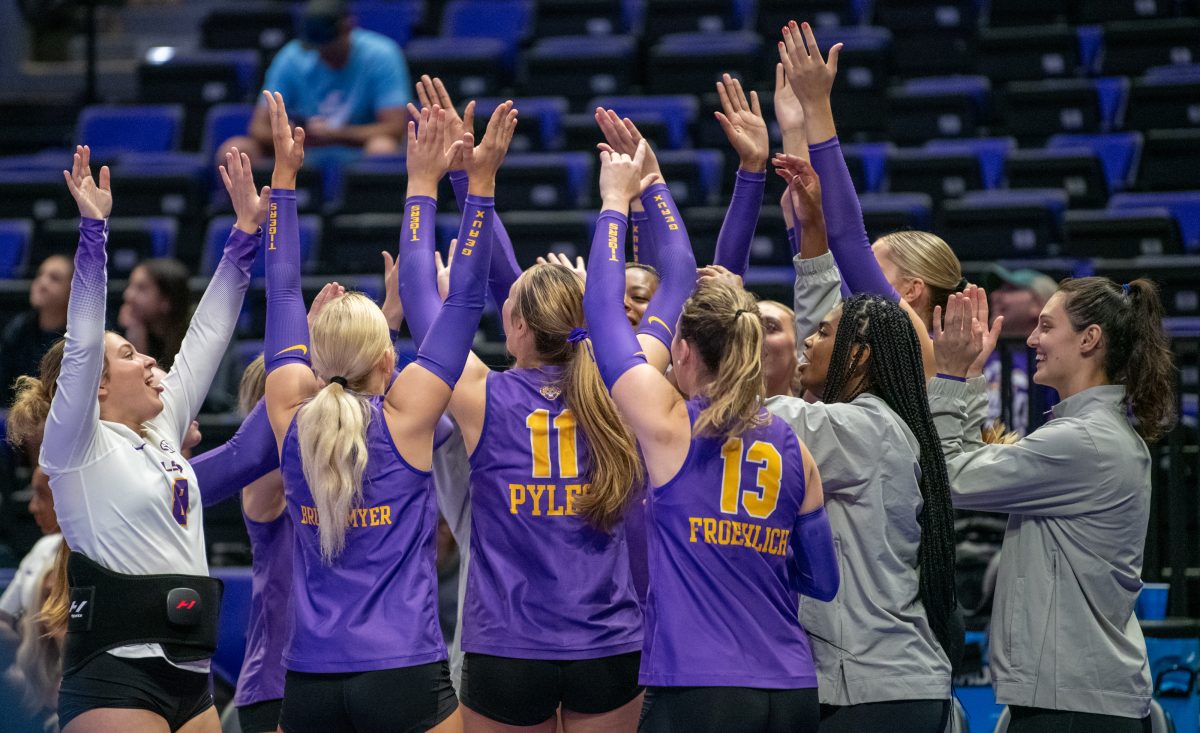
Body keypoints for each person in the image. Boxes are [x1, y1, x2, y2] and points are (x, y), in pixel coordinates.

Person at [401, 101, 677, 733]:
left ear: (516, 325)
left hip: (507, 646)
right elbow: (679, 281)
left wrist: (441, 184)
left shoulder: (479, 394)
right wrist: (642, 192)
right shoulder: (623, 389)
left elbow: (427, 292)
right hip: (608, 643)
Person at [6, 143, 264, 733]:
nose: (150, 359)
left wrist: (245, 234)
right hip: (116, 678)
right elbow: (81, 341)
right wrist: (93, 233)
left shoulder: (162, 431)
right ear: (94, 385)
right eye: (128, 354)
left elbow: (206, 337)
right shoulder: (75, 447)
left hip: (192, 679)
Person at [261, 90, 496, 733]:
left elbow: (280, 285)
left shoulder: (289, 412)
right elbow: (464, 298)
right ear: (388, 361)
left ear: (311, 354)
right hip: (403, 670)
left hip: (308, 676)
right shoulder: (407, 420)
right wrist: (440, 183)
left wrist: (283, 176)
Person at [583, 142, 837, 733]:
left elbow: (600, 311)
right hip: (791, 688)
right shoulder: (792, 443)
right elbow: (822, 580)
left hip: (700, 687)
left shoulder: (670, 425)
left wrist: (619, 200)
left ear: (683, 349)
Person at [929, 279, 1176, 733]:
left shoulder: (1081, 441)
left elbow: (948, 476)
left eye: (1046, 325)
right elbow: (965, 467)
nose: (1031, 339)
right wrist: (968, 380)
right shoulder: (1091, 433)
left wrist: (948, 376)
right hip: (1081, 698)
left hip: (1071, 707)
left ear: (1089, 338)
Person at [766, 155, 958, 731]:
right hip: (888, 683)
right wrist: (812, 238)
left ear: (858, 354)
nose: (806, 343)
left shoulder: (861, 430)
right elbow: (825, 323)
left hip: (873, 689)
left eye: (822, 335)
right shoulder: (875, 420)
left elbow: (752, 412)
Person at [778, 21, 966, 333]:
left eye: (870, 265)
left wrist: (817, 106)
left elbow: (844, 237)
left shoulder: (909, 338)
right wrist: (795, 129)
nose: (848, 270)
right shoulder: (867, 334)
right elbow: (813, 258)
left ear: (911, 290)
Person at [219, 0, 409, 164]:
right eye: (316, 46)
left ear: (348, 27)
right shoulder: (292, 56)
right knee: (235, 150)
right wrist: (291, 135)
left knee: (382, 147)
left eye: (328, 44)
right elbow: (257, 128)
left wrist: (336, 135)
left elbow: (394, 128)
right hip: (299, 149)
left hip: (355, 150)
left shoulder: (382, 54)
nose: (321, 51)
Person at [981, 265, 1059, 435]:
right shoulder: (975, 352)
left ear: (1040, 304)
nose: (995, 296)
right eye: (997, 290)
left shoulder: (1057, 361)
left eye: (1009, 289)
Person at [1, 254, 70, 407]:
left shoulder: (80, 337)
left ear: (72, 291)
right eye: (40, 275)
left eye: (54, 278)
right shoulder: (18, 329)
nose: (42, 283)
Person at [119, 258, 190, 372]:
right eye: (130, 286)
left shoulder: (191, 342)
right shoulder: (120, 334)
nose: (128, 295)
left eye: (141, 288)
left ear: (167, 300)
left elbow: (164, 386)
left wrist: (137, 348)